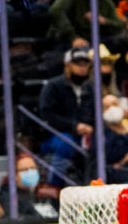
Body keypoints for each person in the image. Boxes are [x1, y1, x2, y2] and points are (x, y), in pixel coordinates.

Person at [37, 47, 96, 184]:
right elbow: (47, 115)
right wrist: (74, 126)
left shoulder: (90, 88)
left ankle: (93, 183)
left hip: (84, 134)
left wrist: (89, 126)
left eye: (85, 64)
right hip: (55, 134)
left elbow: (93, 112)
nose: (82, 68)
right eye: (77, 64)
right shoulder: (53, 86)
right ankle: (55, 184)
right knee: (65, 143)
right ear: (67, 66)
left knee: (104, 140)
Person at [0, 153, 55, 219]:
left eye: (33, 168)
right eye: (25, 170)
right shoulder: (8, 196)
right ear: (15, 175)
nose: (30, 172)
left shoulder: (44, 194)